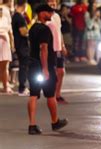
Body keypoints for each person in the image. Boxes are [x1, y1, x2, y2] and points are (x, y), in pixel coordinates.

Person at [27, 4, 68, 135]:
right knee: (50, 95)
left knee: (33, 94)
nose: (51, 14)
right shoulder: (44, 29)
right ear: (41, 13)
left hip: (32, 65)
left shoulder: (32, 28)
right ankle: (55, 122)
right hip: (44, 66)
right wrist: (45, 69)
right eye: (49, 12)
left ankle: (32, 125)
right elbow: (43, 49)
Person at [47, 0, 68, 104]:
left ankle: (58, 94)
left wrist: (63, 45)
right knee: (52, 73)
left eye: (54, 3)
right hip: (50, 48)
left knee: (61, 72)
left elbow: (60, 32)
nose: (52, 5)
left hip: (58, 47)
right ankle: (52, 95)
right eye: (50, 3)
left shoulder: (57, 16)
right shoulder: (45, 17)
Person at [11, 0, 29, 96]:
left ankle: (23, 87)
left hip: (18, 44)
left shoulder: (15, 16)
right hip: (22, 45)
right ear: (24, 5)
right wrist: (28, 31)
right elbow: (23, 32)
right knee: (23, 66)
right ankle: (22, 88)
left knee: (23, 65)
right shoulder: (19, 17)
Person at [0, 0, 13, 93]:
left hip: (5, 37)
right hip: (4, 36)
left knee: (5, 64)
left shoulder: (5, 9)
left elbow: (9, 28)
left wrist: (12, 41)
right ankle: (5, 86)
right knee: (4, 65)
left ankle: (6, 85)